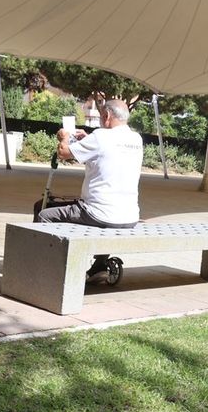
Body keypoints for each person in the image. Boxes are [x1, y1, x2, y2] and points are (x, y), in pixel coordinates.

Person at [36, 96, 143, 278]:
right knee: (107, 218)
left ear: (107, 115)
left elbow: (63, 153)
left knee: (43, 212)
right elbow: (111, 150)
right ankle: (100, 266)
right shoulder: (136, 139)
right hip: (130, 216)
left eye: (102, 117)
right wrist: (87, 139)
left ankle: (43, 268)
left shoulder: (100, 137)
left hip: (97, 213)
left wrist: (65, 137)